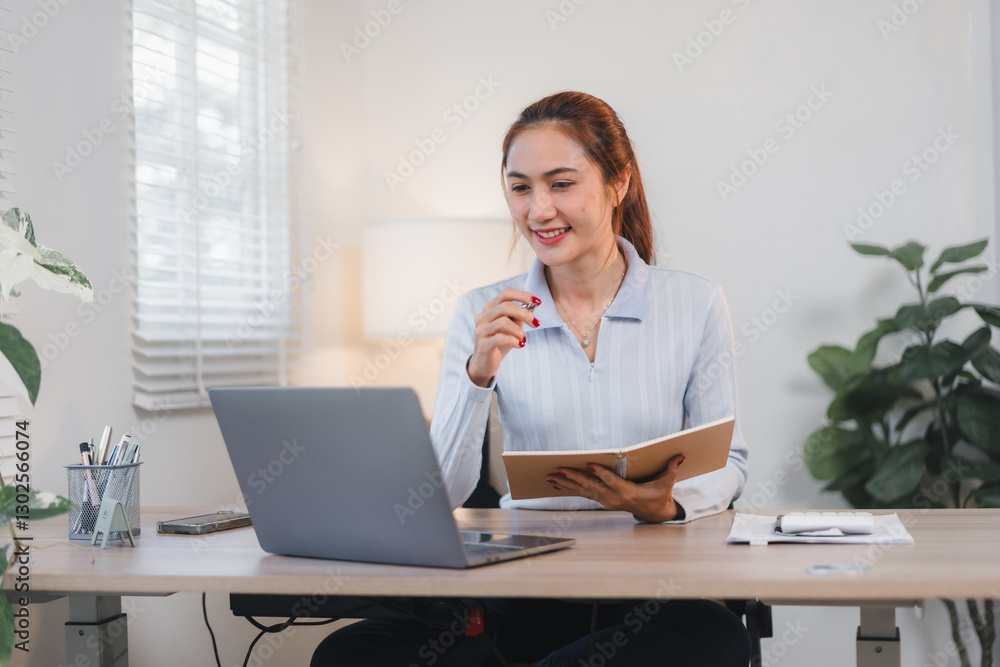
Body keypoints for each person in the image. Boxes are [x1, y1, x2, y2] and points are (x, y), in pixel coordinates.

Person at [312, 91, 751, 666]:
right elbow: (438, 493)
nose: (538, 210)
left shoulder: (693, 303)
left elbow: (730, 464)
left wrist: (664, 505)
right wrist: (478, 375)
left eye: (561, 183)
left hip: (650, 584)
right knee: (350, 653)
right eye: (521, 187)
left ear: (617, 183)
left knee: (711, 637)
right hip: (526, 582)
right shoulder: (482, 312)